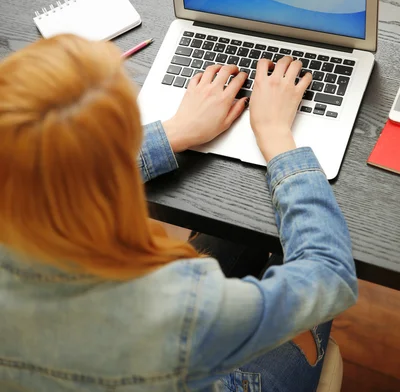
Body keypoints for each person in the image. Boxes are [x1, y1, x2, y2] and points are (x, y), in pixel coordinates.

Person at [0, 34, 358, 392]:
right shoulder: (171, 306)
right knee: (295, 236)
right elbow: (329, 275)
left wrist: (174, 132)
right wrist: (276, 133)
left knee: (238, 230)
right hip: (212, 375)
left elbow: (57, 170)